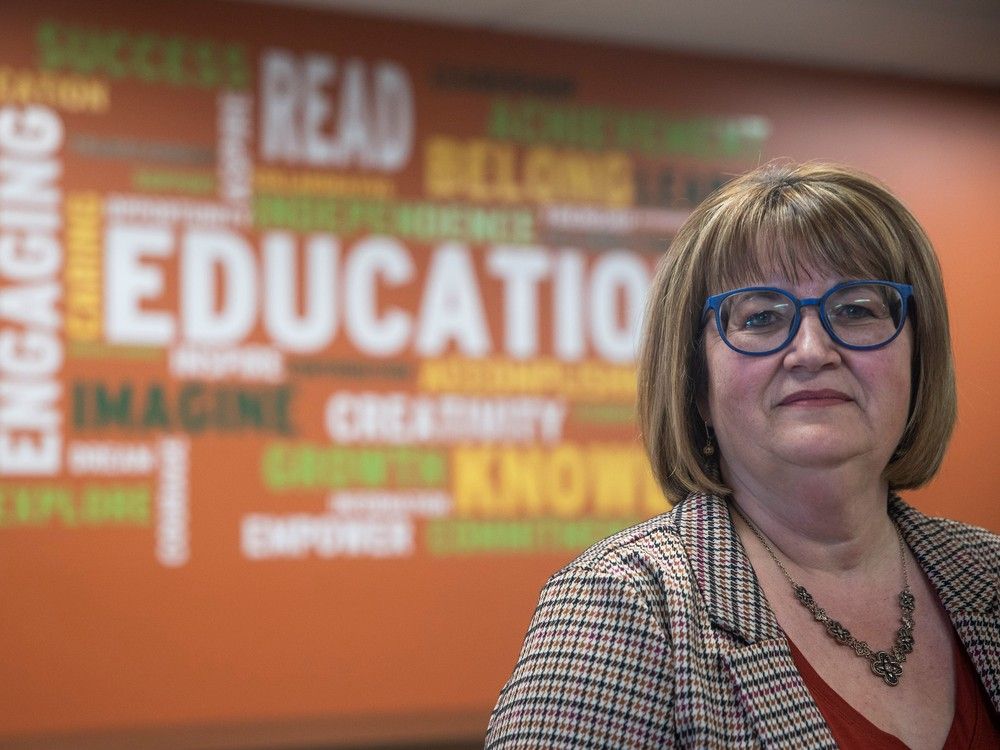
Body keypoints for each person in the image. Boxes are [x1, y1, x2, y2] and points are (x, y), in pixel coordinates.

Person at [485, 162, 999, 748]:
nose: (812, 350)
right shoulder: (625, 606)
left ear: (918, 360)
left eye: (856, 309)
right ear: (697, 384)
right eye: (761, 317)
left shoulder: (988, 576)